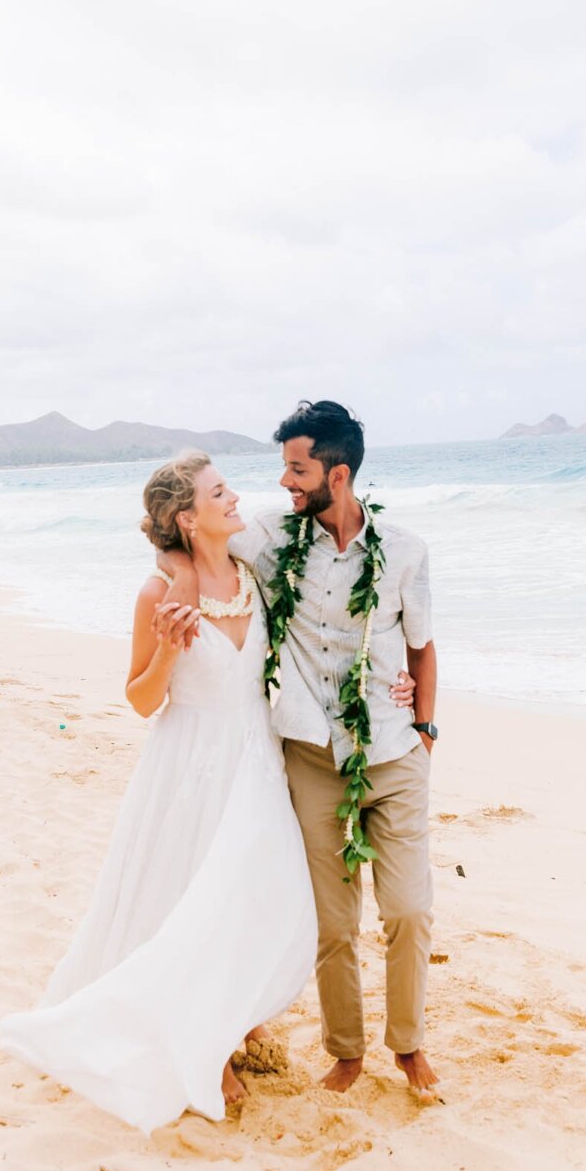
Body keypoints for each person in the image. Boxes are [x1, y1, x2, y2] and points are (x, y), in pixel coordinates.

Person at [176, 401, 441, 1098]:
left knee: (409, 909)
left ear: (339, 472)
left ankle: (409, 1048)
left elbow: (422, 645)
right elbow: (191, 540)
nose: (286, 482)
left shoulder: (405, 552)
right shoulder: (267, 538)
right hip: (312, 755)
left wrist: (426, 729)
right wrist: (172, 593)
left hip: (393, 753)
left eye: (298, 468)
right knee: (332, 919)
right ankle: (346, 1053)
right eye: (285, 468)